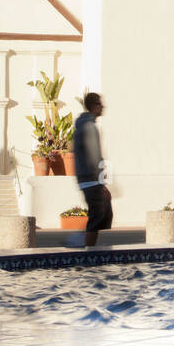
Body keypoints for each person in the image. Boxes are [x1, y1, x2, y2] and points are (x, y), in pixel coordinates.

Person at [69, 92, 112, 248]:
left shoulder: (82, 124)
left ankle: (84, 241)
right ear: (94, 106)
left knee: (102, 212)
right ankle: (84, 246)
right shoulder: (90, 127)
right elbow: (94, 157)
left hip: (85, 178)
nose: (103, 106)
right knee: (98, 215)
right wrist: (101, 183)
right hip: (91, 179)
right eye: (100, 103)